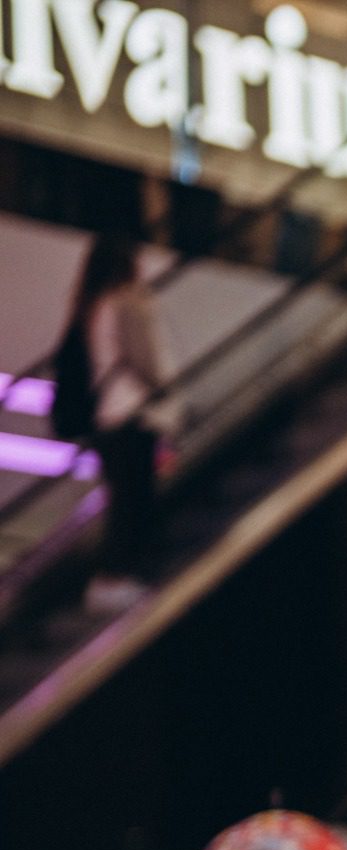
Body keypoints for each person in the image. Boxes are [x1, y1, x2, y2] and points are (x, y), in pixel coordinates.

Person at [64, 236, 175, 610]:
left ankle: (110, 578)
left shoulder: (90, 305)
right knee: (135, 500)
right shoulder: (129, 301)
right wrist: (166, 395)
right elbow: (148, 362)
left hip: (106, 416)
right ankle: (116, 577)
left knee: (122, 500)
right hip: (132, 413)